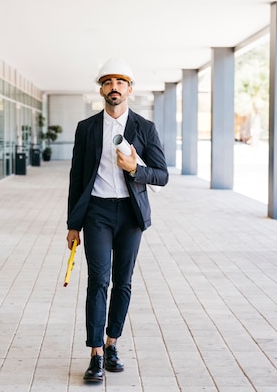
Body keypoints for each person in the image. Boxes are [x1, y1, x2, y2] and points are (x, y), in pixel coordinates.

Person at [66, 57, 169, 382]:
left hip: (129, 215)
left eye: (120, 82)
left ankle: (112, 344)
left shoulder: (145, 128)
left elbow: (162, 175)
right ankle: (95, 353)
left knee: (122, 282)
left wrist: (135, 170)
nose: (114, 88)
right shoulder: (86, 128)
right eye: (108, 82)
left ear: (130, 89)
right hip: (96, 213)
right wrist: (72, 224)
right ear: (101, 89)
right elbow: (76, 177)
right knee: (98, 280)